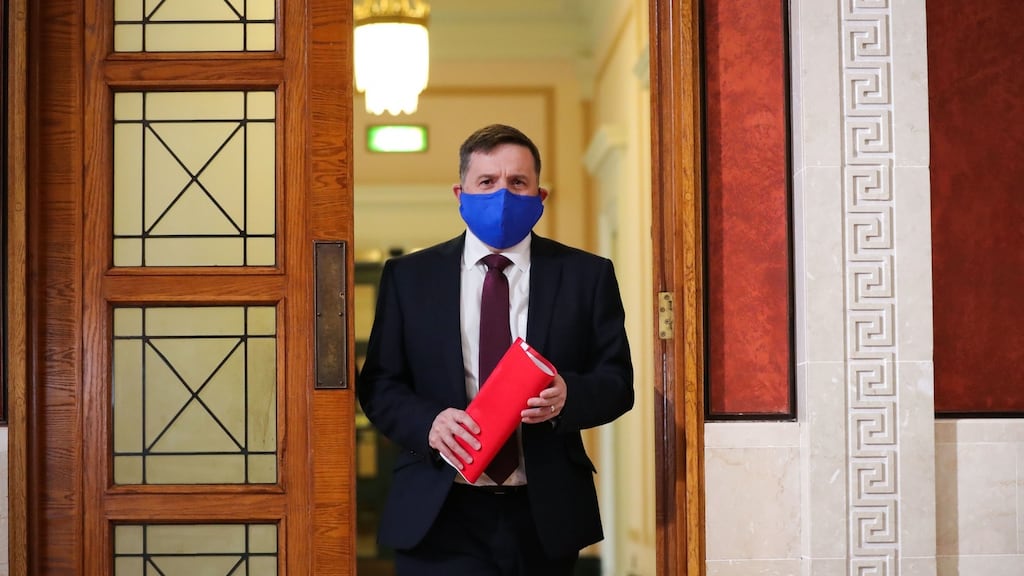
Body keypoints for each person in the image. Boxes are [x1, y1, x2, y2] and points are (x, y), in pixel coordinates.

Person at [357, 123, 634, 576]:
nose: (502, 194)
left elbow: (618, 382)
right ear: (460, 193)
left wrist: (569, 395)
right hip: (438, 510)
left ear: (540, 196)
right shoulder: (409, 277)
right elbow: (380, 384)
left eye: (517, 182)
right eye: (486, 182)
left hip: (545, 513)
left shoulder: (586, 275)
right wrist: (428, 422)